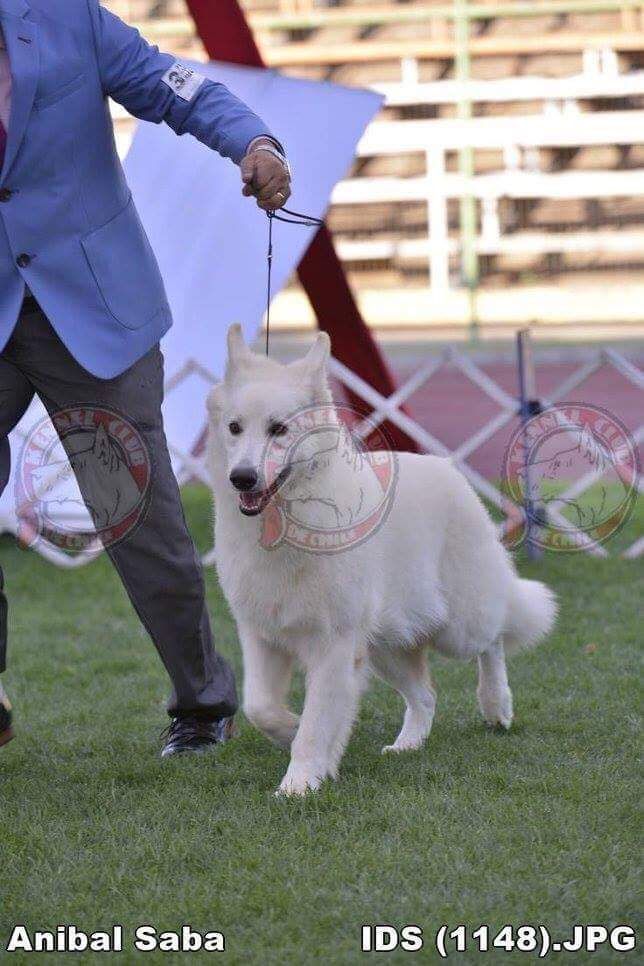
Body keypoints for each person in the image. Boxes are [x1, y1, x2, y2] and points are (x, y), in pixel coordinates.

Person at [0, 0, 291, 755]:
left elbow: (173, 86)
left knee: (139, 519)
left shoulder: (68, 18)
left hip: (93, 310)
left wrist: (252, 142)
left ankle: (202, 703)